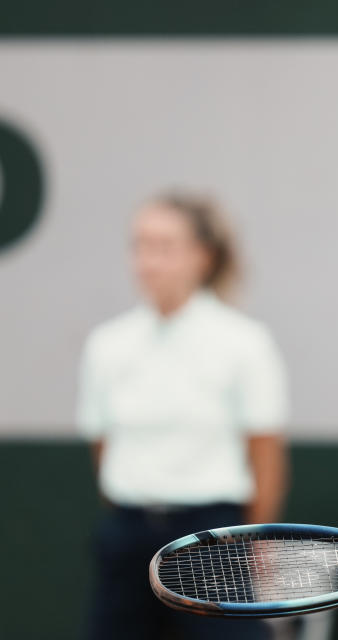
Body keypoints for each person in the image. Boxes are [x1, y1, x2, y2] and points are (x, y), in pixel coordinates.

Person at [77, 191, 289, 639]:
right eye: (140, 245)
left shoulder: (244, 343)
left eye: (164, 247)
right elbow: (103, 447)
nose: (148, 261)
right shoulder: (106, 345)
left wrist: (253, 543)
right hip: (127, 538)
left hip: (212, 540)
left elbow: (265, 455)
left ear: (203, 257)